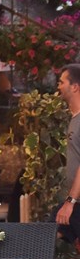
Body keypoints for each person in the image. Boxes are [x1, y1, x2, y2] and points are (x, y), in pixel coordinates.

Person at [55, 65, 80, 241]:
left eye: (61, 82)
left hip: (76, 202)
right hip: (77, 201)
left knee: (49, 234)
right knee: (52, 234)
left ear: (75, 86)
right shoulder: (74, 118)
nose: (58, 86)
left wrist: (70, 202)